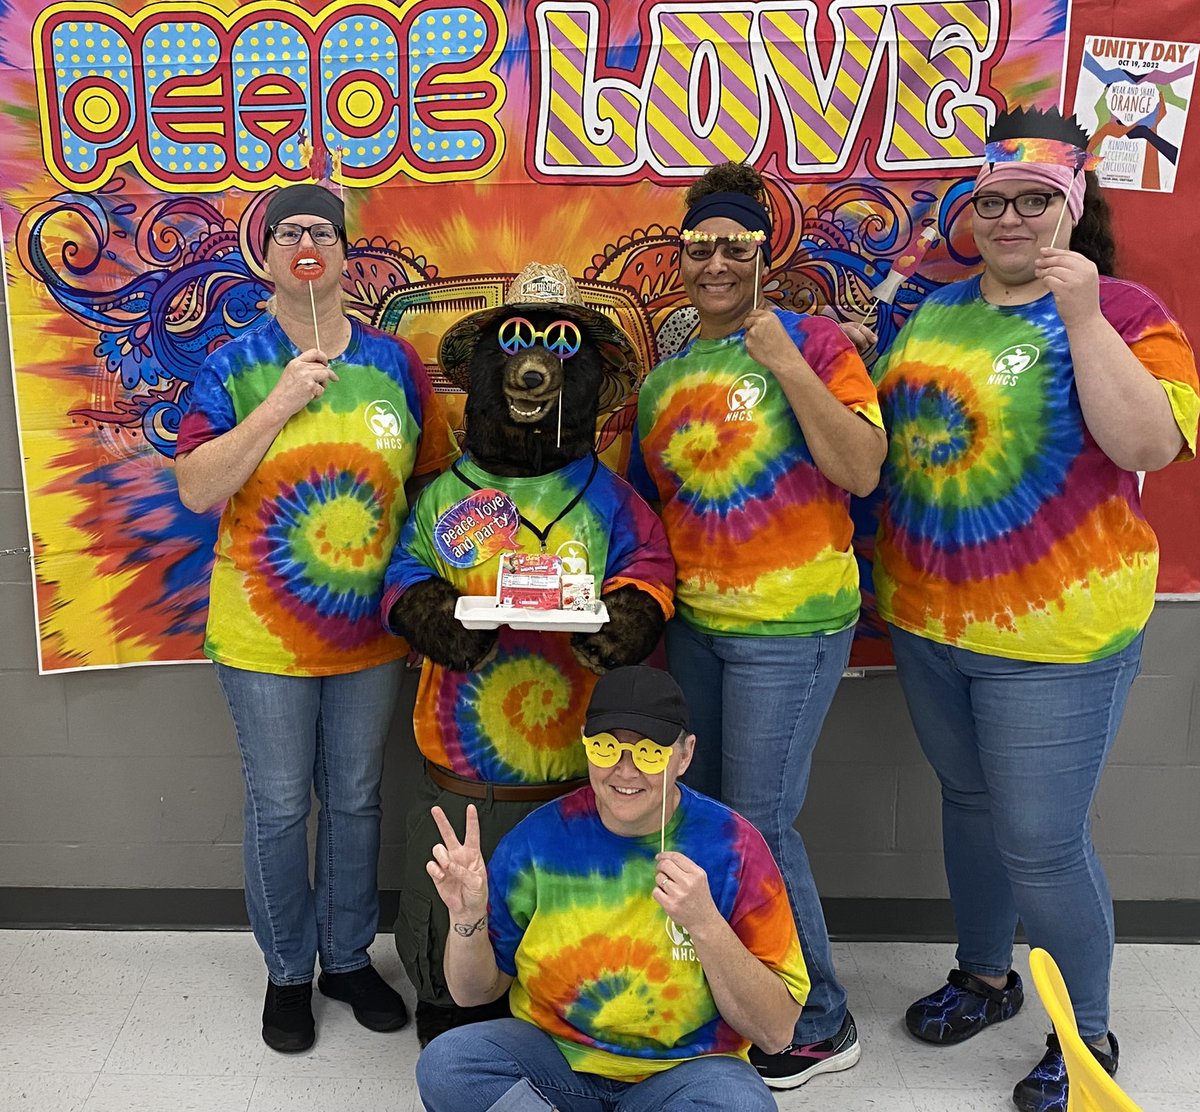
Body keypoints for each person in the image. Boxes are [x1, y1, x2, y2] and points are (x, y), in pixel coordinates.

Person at [868, 107, 1199, 1112]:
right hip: (928, 618)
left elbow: (1151, 448)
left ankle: (1083, 1027)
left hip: (1059, 634)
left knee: (1043, 841)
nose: (1008, 218)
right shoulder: (935, 308)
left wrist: (1087, 317)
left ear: (1074, 205)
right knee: (969, 808)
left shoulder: (1130, 310)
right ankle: (984, 974)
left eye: (1034, 200)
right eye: (993, 199)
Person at [174, 182, 458, 1053]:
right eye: (289, 231)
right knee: (277, 807)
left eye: (323, 232)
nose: (307, 244)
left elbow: (433, 486)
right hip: (264, 639)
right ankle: (288, 971)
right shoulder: (233, 363)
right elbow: (197, 488)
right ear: (266, 254)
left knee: (359, 798)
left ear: (343, 255)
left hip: (368, 636)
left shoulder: (395, 363)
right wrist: (279, 402)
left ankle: (344, 958)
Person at [627, 161, 886, 1088]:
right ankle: (747, 992)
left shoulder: (813, 342)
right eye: (700, 248)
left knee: (764, 822)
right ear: (681, 259)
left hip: (795, 625)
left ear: (763, 256)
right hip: (697, 625)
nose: (716, 264)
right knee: (707, 817)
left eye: (735, 246)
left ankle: (821, 1020)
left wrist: (784, 362)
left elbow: (860, 467)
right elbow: (648, 511)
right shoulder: (666, 378)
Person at [415, 665, 811, 1112]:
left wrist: (705, 924)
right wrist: (467, 918)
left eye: (649, 752)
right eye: (606, 749)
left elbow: (776, 1033)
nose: (625, 770)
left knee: (741, 1105)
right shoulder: (537, 841)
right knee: (448, 1064)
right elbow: (474, 994)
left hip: (684, 1071)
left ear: (684, 755)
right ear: (586, 746)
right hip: (555, 1063)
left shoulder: (735, 848)